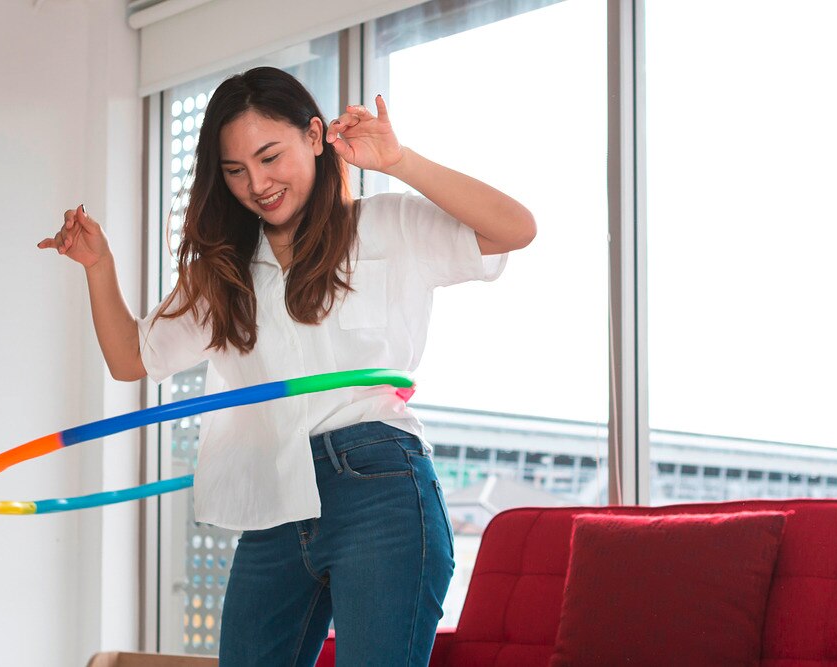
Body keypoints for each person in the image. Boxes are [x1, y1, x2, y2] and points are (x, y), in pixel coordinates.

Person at [39, 66, 535, 666]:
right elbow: (129, 358)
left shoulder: (384, 225)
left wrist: (399, 160)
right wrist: (99, 266)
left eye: (270, 156)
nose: (258, 183)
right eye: (235, 171)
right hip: (274, 496)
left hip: (378, 482)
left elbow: (515, 228)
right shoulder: (225, 272)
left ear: (315, 136)